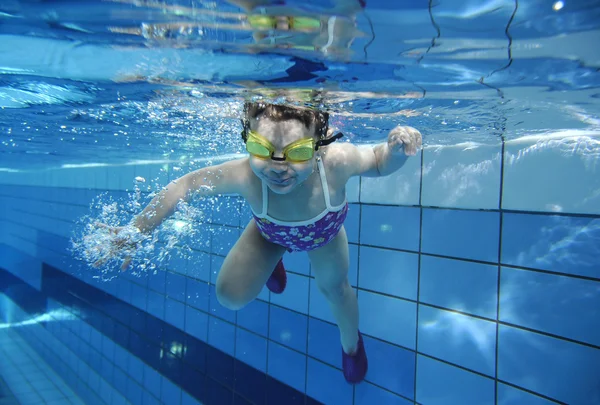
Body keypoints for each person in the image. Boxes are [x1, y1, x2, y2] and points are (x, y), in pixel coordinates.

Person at [93, 101, 422, 384]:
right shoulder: (246, 176)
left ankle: (352, 346)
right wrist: (136, 229)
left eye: (298, 152)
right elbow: (185, 185)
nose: (279, 167)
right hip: (269, 233)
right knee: (229, 295)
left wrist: (395, 150)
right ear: (247, 141)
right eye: (262, 150)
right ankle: (271, 260)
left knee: (335, 290)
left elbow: (378, 161)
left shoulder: (336, 163)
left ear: (319, 144)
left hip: (324, 234)